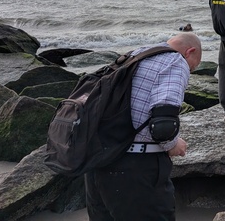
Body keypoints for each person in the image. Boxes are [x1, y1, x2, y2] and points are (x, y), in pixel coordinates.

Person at [85, 33, 202, 220]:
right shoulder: (175, 61)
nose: (189, 72)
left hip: (97, 163)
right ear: (190, 52)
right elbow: (163, 125)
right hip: (135, 169)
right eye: (192, 68)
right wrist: (172, 144)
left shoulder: (134, 55)